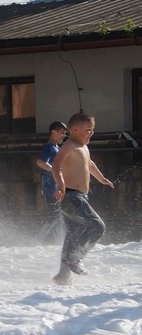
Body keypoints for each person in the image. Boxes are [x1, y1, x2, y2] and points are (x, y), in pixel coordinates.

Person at [51, 113, 114, 285]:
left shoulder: (83, 147)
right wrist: (61, 185)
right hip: (71, 197)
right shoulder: (69, 145)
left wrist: (101, 178)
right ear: (75, 129)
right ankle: (74, 258)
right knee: (97, 227)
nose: (91, 133)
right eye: (88, 130)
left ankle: (63, 276)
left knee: (74, 232)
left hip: (79, 197)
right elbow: (56, 166)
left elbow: (89, 164)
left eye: (92, 130)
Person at [36, 121, 69, 244]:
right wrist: (53, 169)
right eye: (62, 133)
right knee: (55, 214)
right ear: (53, 132)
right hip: (50, 187)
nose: (64, 136)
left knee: (58, 214)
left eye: (65, 133)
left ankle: (60, 241)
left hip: (55, 186)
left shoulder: (56, 148)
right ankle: (38, 240)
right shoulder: (49, 147)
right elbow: (40, 162)